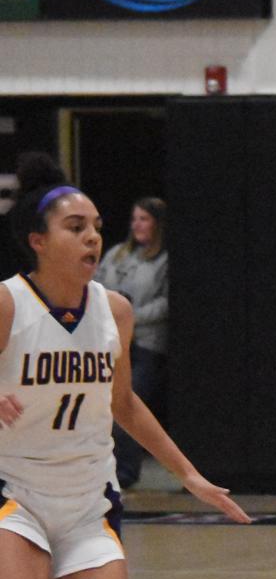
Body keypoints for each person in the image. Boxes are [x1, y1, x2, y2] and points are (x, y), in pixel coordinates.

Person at [0, 154, 249, 579]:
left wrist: (187, 474)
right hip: (14, 491)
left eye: (95, 226)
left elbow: (123, 402)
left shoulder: (115, 311)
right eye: (75, 227)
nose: (91, 237)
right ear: (37, 240)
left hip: (87, 499)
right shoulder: (7, 305)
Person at [93, 197, 168, 490]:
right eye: (134, 218)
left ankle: (127, 472)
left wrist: (131, 317)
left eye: (144, 219)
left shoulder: (163, 260)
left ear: (158, 224)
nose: (137, 224)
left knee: (128, 400)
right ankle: (106, 469)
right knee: (104, 404)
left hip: (147, 343)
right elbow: (95, 285)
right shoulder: (116, 255)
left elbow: (166, 303)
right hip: (110, 340)